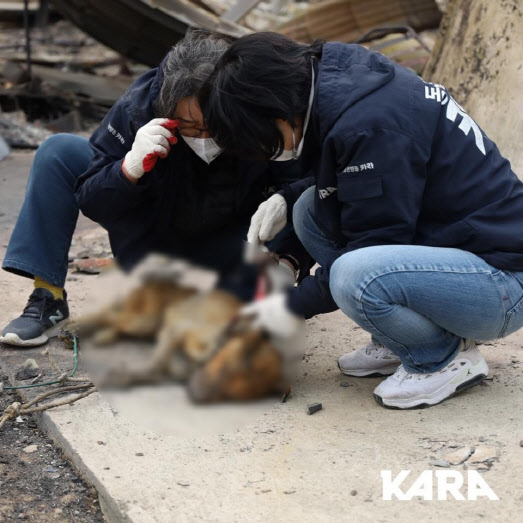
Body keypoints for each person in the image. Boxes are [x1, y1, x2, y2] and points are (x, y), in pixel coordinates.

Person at [198, 32, 523, 409]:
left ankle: (440, 357)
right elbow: (352, 177)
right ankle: (397, 338)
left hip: (501, 283)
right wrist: (285, 197)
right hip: (463, 254)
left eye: (261, 138)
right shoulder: (337, 78)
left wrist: (279, 309)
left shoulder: (370, 125)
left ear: (278, 113)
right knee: (308, 209)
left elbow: (372, 244)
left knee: (354, 275)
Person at [0, 30, 310, 348]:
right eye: (187, 125)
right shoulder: (139, 106)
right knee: (58, 151)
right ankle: (47, 298)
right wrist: (128, 170)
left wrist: (286, 260)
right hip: (154, 235)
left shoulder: (253, 104)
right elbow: (94, 201)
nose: (202, 136)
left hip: (237, 240)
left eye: (212, 124)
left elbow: (306, 186)